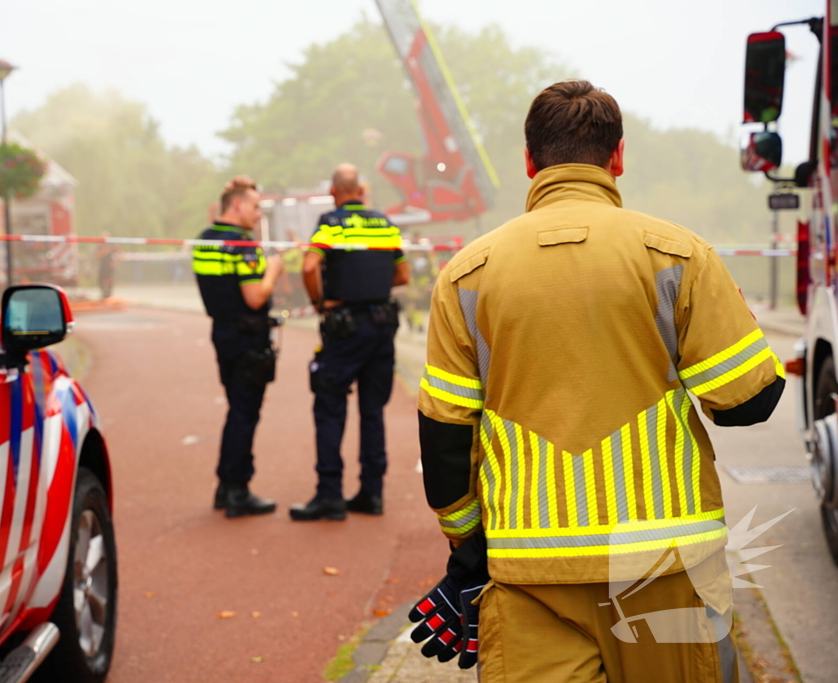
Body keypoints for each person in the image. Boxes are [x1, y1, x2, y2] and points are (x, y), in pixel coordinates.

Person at [409, 80, 786, 681]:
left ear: (531, 162)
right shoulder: (678, 255)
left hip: (527, 575)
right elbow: (749, 402)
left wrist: (467, 549)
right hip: (667, 569)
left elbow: (443, 430)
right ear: (617, 158)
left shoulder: (466, 274)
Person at [290, 164, 411, 521]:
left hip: (345, 329)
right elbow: (402, 274)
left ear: (334, 192)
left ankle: (329, 495)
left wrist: (320, 303)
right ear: (360, 191)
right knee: (372, 412)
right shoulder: (385, 224)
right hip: (382, 325)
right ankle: (371, 494)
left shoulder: (331, 223)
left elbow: (310, 267)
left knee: (330, 407)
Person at [193, 175, 283, 518]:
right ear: (237, 205)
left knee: (236, 409)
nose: (259, 214)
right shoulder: (243, 245)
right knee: (245, 414)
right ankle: (237, 490)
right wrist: (272, 270)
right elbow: (255, 296)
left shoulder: (205, 240)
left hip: (223, 334)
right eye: (256, 207)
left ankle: (224, 486)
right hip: (248, 338)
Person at [96, 231, 119, 299]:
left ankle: (109, 294)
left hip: (109, 265)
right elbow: (97, 256)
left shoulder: (112, 245)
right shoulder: (100, 245)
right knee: (100, 279)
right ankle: (103, 294)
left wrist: (115, 262)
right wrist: (103, 252)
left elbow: (119, 253)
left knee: (109, 280)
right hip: (102, 265)